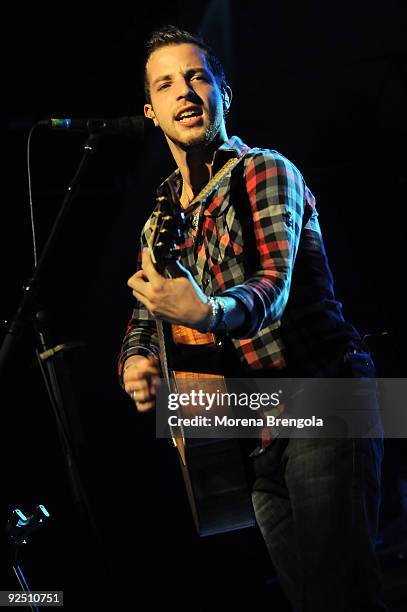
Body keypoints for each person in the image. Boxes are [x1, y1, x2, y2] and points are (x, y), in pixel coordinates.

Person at [118, 25, 386, 611]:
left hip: (324, 393)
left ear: (224, 93)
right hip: (250, 426)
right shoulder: (159, 221)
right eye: (166, 84)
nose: (184, 91)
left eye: (197, 77)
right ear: (150, 112)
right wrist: (136, 360)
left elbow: (273, 288)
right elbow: (145, 316)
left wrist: (210, 312)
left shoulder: (265, 171)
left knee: (343, 597)